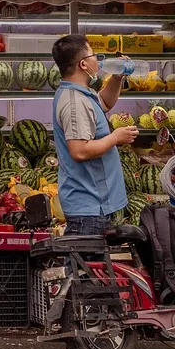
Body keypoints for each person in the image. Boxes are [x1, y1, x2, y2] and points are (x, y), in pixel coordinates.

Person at [51, 33, 140, 236]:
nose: (98, 60)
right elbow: (79, 151)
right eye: (94, 55)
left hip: (95, 205)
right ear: (83, 64)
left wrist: (117, 77)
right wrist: (116, 137)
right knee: (85, 265)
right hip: (87, 206)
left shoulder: (82, 93)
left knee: (89, 265)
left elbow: (105, 103)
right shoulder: (74, 102)